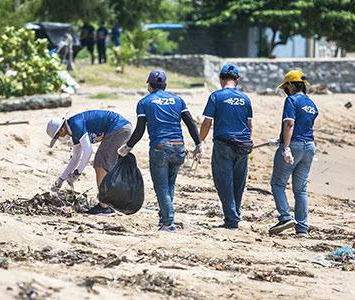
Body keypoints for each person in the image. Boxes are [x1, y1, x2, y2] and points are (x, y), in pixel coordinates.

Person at [118, 70, 202, 232]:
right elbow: (191, 123)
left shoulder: (144, 102)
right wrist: (199, 144)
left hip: (160, 148)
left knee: (161, 187)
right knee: (169, 185)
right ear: (165, 85)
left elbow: (140, 129)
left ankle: (169, 222)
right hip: (179, 147)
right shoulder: (178, 100)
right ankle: (164, 218)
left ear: (149, 85)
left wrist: (127, 147)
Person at [46, 110, 133, 216]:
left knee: (100, 163)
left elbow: (88, 151)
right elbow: (76, 157)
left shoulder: (76, 125)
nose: (59, 139)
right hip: (122, 129)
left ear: (62, 129)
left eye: (57, 136)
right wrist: (61, 179)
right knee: (106, 165)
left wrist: (77, 173)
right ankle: (111, 201)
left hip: (119, 128)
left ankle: (104, 207)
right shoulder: (73, 132)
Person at [199, 64, 253, 230]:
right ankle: (234, 212)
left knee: (223, 181)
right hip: (243, 144)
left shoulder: (216, 96)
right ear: (237, 80)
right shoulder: (245, 98)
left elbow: (207, 122)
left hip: (224, 143)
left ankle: (231, 218)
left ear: (221, 79)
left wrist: (199, 141)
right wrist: (248, 140)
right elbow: (249, 124)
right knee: (239, 181)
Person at [268, 70, 319, 238]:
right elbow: (304, 126)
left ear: (291, 85)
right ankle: (302, 228)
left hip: (294, 146)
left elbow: (290, 124)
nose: (286, 89)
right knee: (301, 190)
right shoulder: (311, 104)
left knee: (278, 184)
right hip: (309, 146)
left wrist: (286, 146)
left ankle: (285, 217)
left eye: (286, 86)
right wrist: (280, 138)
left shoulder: (291, 100)